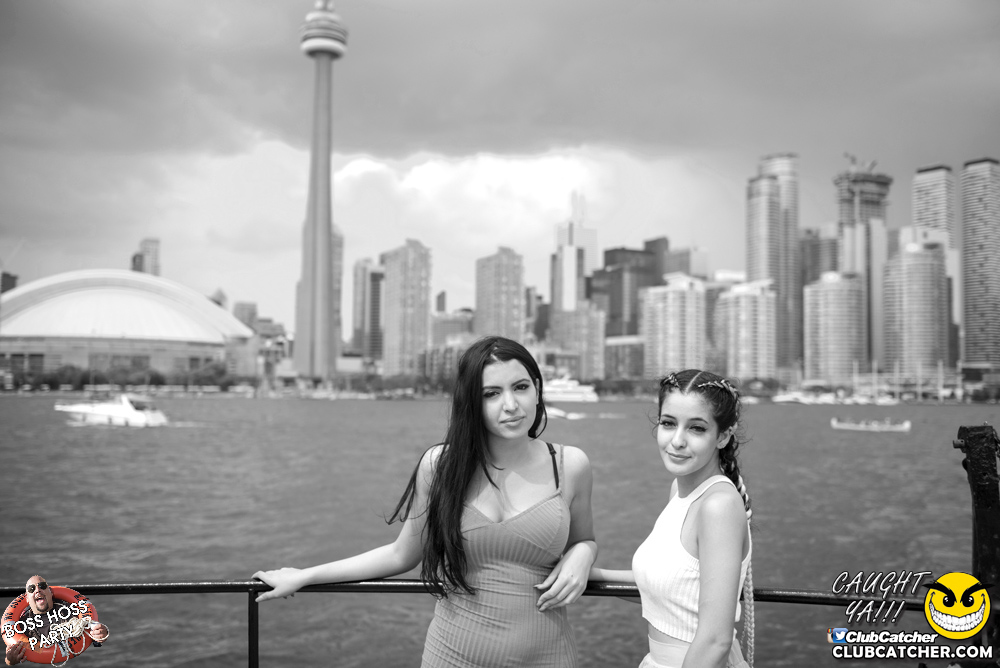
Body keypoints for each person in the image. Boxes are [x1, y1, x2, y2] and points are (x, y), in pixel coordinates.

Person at [254, 336, 597, 667]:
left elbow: (584, 538)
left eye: (520, 387)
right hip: (452, 656)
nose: (510, 405)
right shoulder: (441, 466)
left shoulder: (570, 466)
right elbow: (400, 555)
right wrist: (306, 575)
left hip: (548, 657)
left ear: (536, 388)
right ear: (471, 403)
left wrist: (583, 553)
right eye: (491, 393)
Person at [590, 370, 754, 668]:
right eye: (668, 423)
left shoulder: (718, 506)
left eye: (696, 428)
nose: (677, 441)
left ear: (723, 436)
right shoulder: (680, 492)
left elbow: (715, 641)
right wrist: (586, 574)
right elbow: (667, 586)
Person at [4, 575, 109, 666]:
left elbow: (92, 631)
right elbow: (15, 655)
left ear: (50, 591)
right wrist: (10, 661)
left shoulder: (71, 610)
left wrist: (101, 634)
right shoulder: (22, 626)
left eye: (42, 586)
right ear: (27, 598)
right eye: (31, 589)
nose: (37, 590)